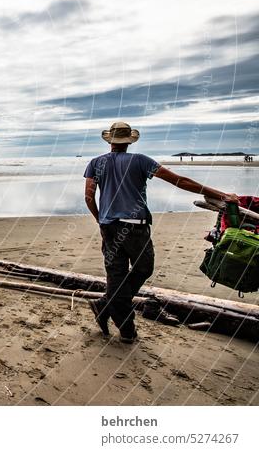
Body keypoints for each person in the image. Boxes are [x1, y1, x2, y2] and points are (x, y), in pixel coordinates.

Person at [83, 122, 238, 343]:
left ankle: (108, 307)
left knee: (116, 278)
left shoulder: (95, 163)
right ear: (129, 141)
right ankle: (124, 328)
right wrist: (220, 194)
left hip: (109, 227)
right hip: (135, 227)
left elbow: (89, 197)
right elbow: (179, 181)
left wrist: (101, 220)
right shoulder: (140, 160)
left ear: (110, 142)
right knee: (143, 269)